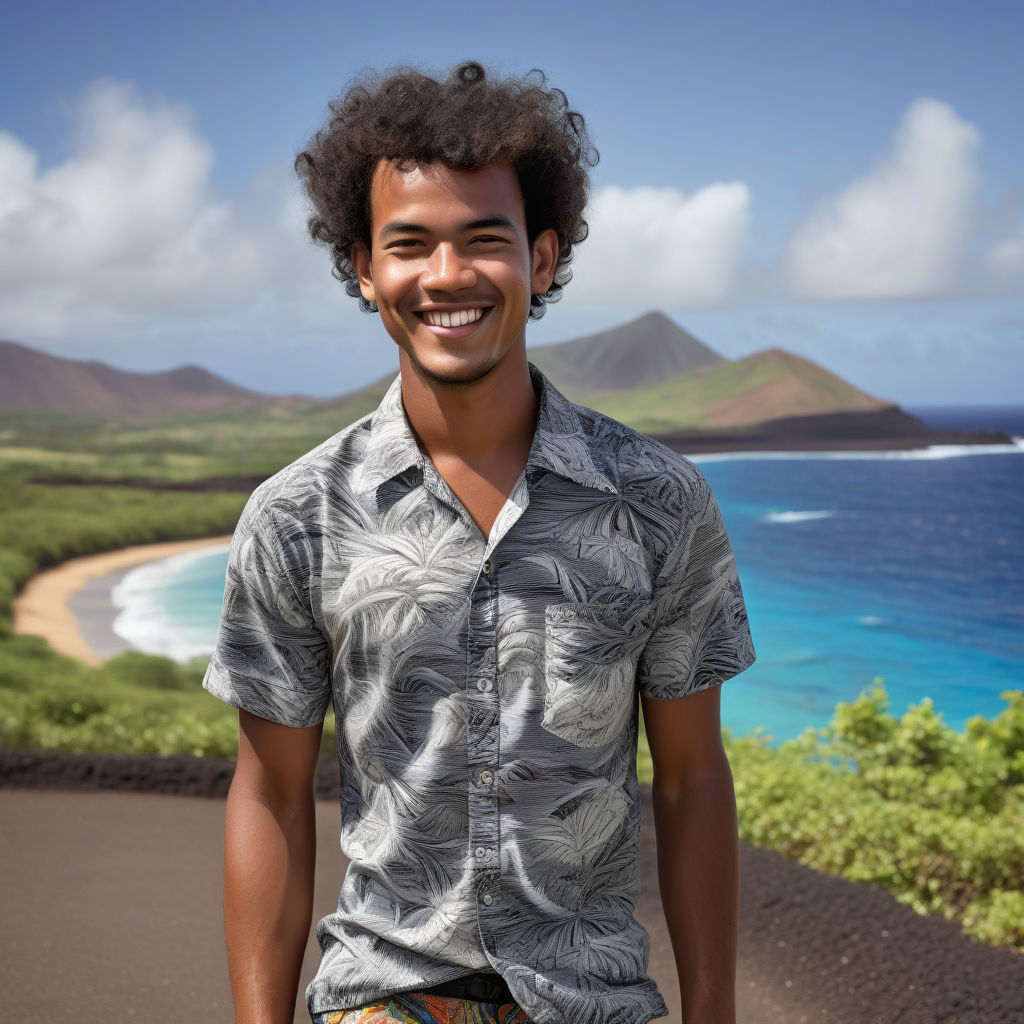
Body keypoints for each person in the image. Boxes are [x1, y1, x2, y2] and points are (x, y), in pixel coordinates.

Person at [202, 59, 757, 1024]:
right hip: (384, 997)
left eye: (484, 240)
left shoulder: (661, 503)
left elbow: (695, 779)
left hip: (594, 1001)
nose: (447, 276)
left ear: (541, 261)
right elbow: (270, 797)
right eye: (409, 244)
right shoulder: (299, 516)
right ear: (364, 267)